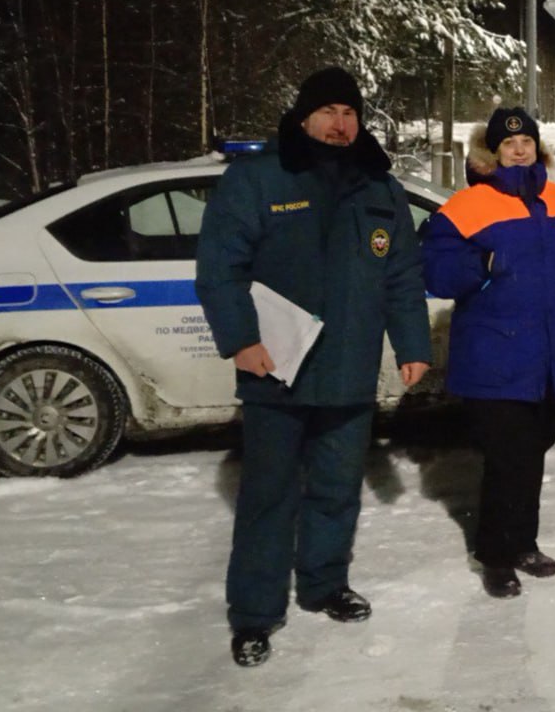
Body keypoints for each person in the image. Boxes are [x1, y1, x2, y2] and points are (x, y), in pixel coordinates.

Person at [196, 66, 432, 667]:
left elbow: (402, 277)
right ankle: (254, 613)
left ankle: (325, 584)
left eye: (349, 113)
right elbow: (219, 269)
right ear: (304, 118)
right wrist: (240, 341)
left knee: (335, 489)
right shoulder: (259, 178)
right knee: (269, 496)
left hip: (349, 369)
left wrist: (411, 346)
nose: (339, 123)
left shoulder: (380, 188)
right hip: (276, 367)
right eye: (328, 111)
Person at [423, 107, 555, 598]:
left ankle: (524, 543)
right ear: (491, 152)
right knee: (508, 458)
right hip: (494, 356)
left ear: (538, 147)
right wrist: (485, 262)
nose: (519, 148)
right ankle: (494, 554)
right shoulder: (465, 206)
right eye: (508, 143)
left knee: (534, 453)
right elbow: (439, 273)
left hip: (552, 357)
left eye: (526, 140)